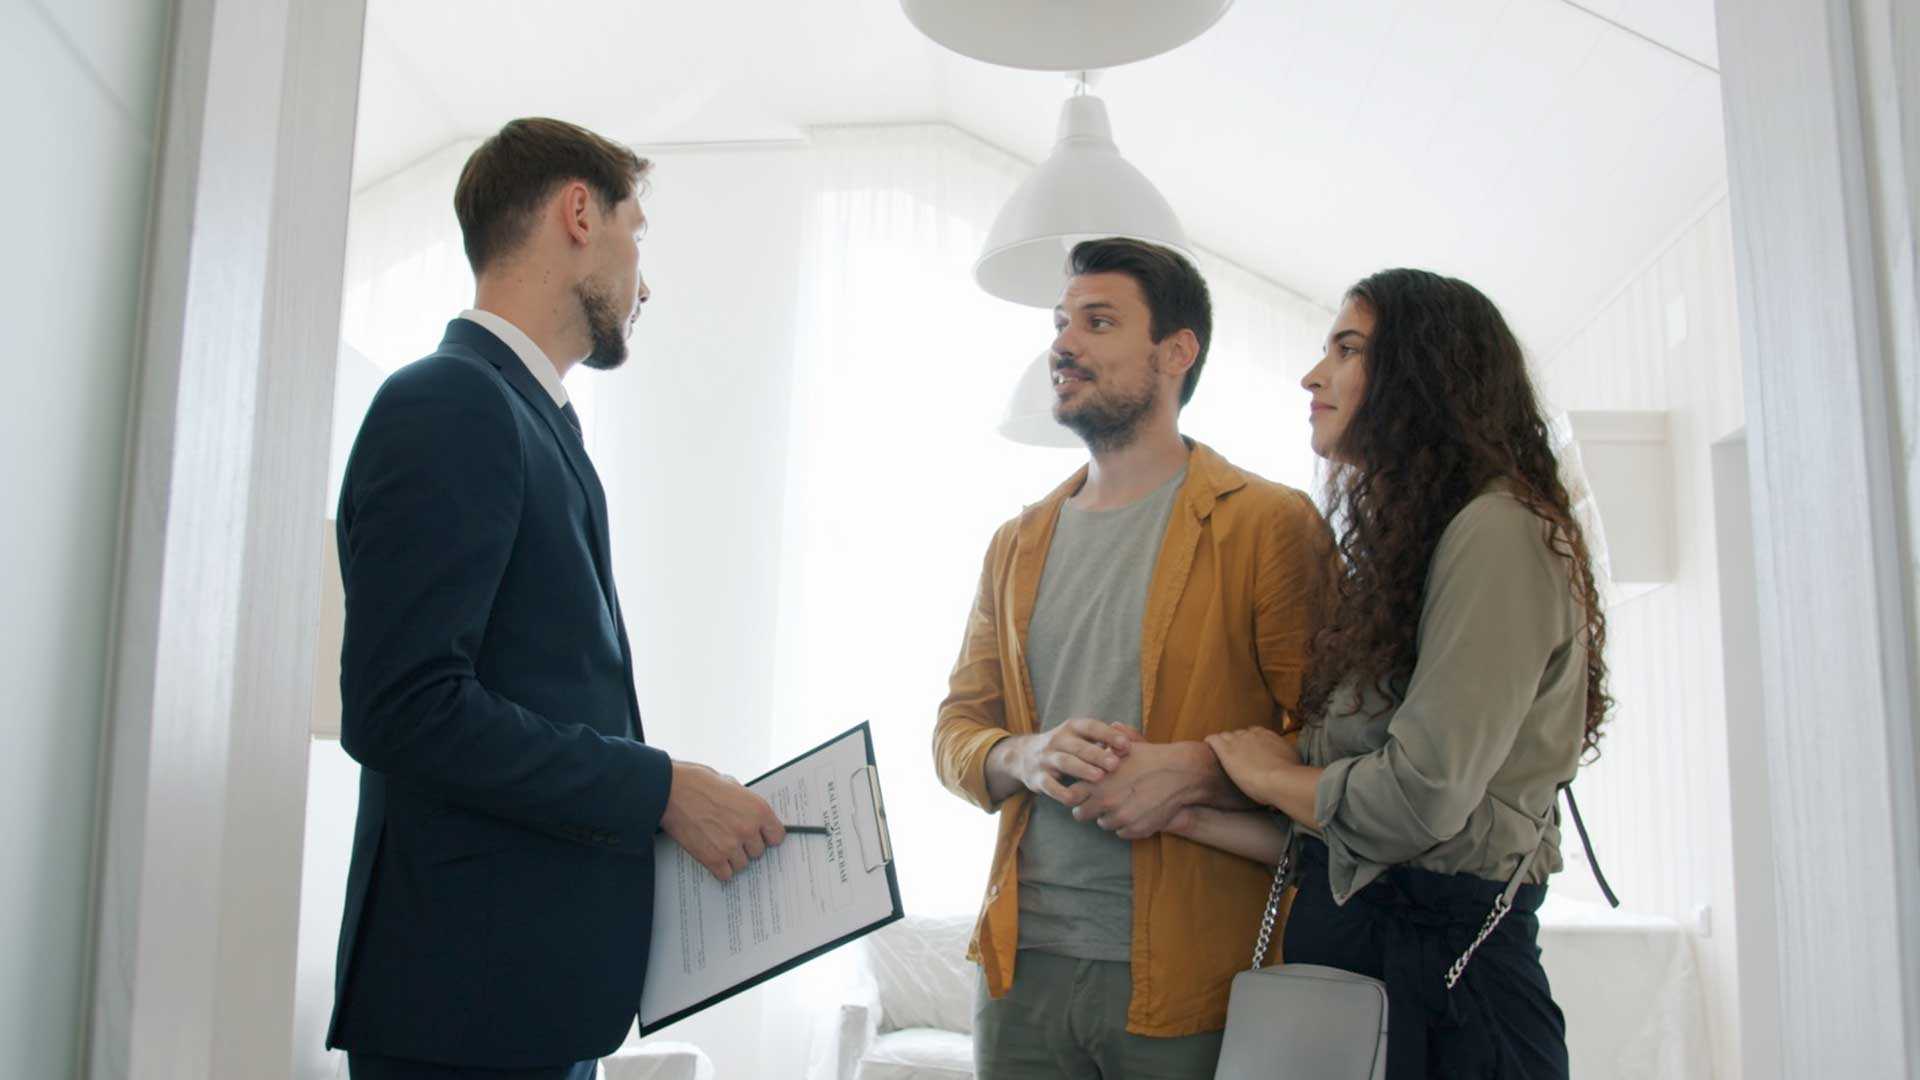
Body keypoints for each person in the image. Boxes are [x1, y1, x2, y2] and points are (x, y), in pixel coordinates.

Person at [327, 118, 786, 1079]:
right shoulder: (450, 401)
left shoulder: (527, 418)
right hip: (465, 1011)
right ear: (579, 211)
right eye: (638, 233)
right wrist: (657, 787)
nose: (645, 282)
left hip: (523, 1001)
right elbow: (404, 708)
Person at [1165, 268, 1611, 1078]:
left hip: (1449, 1011)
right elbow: (1355, 831)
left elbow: (1416, 800)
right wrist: (1183, 806)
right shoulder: (1418, 552)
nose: (1313, 374)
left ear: (1422, 375)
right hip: (1360, 986)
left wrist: (1267, 776)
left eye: (1346, 348)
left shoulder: (1499, 532)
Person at [933, 238, 1337, 1078]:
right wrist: (1025, 752)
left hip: (1198, 974)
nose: (1064, 344)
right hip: (1019, 971)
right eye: (1061, 323)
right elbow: (957, 731)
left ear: (1176, 352)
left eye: (1099, 321)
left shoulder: (1269, 523)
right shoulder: (1016, 543)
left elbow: (1340, 750)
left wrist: (1195, 770)